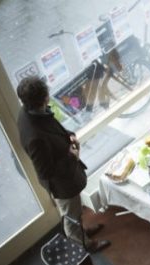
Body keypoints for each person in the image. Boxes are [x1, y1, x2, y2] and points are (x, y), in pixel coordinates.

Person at [16, 76, 110, 253]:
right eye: (47, 95)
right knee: (71, 217)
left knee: (75, 212)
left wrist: (68, 135)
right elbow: (45, 172)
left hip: (67, 176)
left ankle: (82, 233)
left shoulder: (28, 111)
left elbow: (49, 124)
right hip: (62, 184)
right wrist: (71, 157)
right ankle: (85, 244)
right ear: (43, 99)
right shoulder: (34, 136)